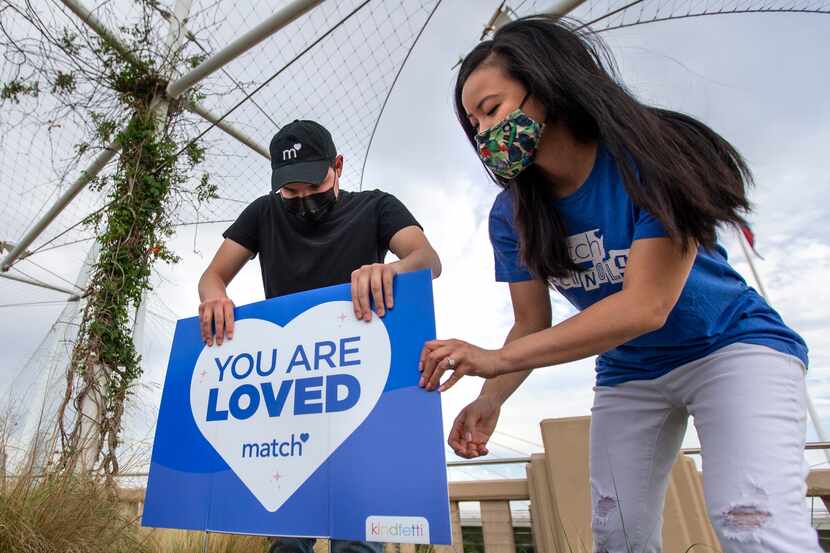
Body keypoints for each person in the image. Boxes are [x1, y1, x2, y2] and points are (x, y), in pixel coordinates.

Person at [418, 15, 819, 553]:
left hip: (731, 346)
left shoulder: (654, 156)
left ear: (549, 83)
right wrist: (491, 399)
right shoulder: (510, 215)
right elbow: (531, 322)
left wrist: (492, 357)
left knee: (751, 521)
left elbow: (645, 306)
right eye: (474, 125)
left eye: (491, 110)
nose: (486, 133)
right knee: (617, 534)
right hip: (630, 368)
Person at [198, 119, 441, 553]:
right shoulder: (261, 213)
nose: (303, 199)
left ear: (339, 166)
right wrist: (215, 298)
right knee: (288, 539)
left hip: (361, 390)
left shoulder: (377, 206)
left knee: (356, 540)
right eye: (290, 191)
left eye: (314, 184)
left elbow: (426, 258)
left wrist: (390, 269)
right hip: (290, 399)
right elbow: (213, 275)